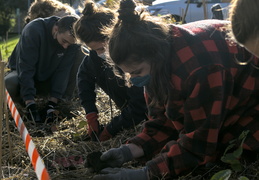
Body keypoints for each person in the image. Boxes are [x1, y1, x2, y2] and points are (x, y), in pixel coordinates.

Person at [91, 0, 259, 179]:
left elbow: (200, 142)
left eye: (136, 72)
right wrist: (131, 150)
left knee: (229, 152)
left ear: (154, 55)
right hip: (223, 89)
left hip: (251, 100)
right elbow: (164, 118)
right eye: (129, 74)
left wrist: (147, 174)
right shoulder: (159, 53)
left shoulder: (199, 69)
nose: (134, 79)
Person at [73, 0, 147, 141]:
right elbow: (84, 79)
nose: (99, 53)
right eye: (93, 50)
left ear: (113, 37)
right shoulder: (95, 57)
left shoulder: (133, 55)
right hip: (128, 113)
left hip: (151, 114)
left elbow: (139, 105)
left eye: (101, 49)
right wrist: (91, 114)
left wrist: (112, 128)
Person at [5, 15, 79, 123]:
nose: (65, 47)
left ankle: (62, 102)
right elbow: (26, 68)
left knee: (83, 54)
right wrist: (30, 104)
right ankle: (22, 103)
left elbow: (63, 71)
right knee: (9, 82)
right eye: (64, 41)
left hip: (49, 77)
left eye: (69, 44)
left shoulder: (71, 43)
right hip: (25, 74)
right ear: (56, 29)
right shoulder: (34, 30)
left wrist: (52, 103)